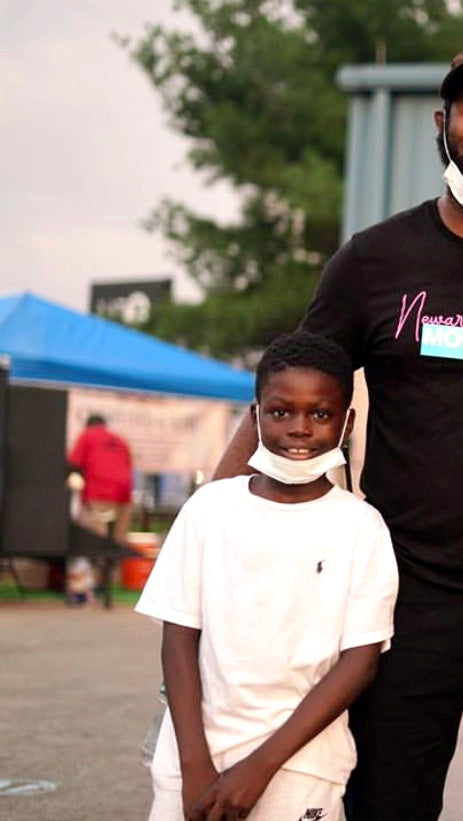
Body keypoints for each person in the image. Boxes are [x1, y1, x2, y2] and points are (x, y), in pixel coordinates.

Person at [210, 40, 463, 821]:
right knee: (389, 805)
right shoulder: (373, 260)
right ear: (444, 121)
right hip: (400, 593)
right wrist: (211, 522)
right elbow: (287, 389)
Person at [136, 332, 399, 820]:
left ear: (347, 423)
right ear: (256, 417)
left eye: (320, 414)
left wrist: (261, 766)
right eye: (281, 412)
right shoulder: (210, 509)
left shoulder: (362, 527)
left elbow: (359, 662)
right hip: (195, 757)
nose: (300, 428)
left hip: (301, 768)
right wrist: (195, 763)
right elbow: (178, 638)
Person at [67, 413, 134, 602]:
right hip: (124, 495)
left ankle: (91, 587)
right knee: (116, 542)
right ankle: (111, 585)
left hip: (99, 493)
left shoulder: (87, 436)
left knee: (95, 542)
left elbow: (73, 463)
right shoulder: (120, 440)